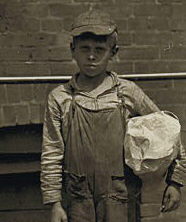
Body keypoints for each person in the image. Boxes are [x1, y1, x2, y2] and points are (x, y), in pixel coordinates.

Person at [40, 9, 186, 222]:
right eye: (84, 48)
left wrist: (176, 182)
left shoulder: (127, 92)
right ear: (72, 50)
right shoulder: (60, 98)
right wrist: (54, 203)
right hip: (78, 200)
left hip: (121, 198)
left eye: (100, 49)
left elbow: (168, 133)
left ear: (113, 52)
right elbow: (51, 152)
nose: (91, 56)